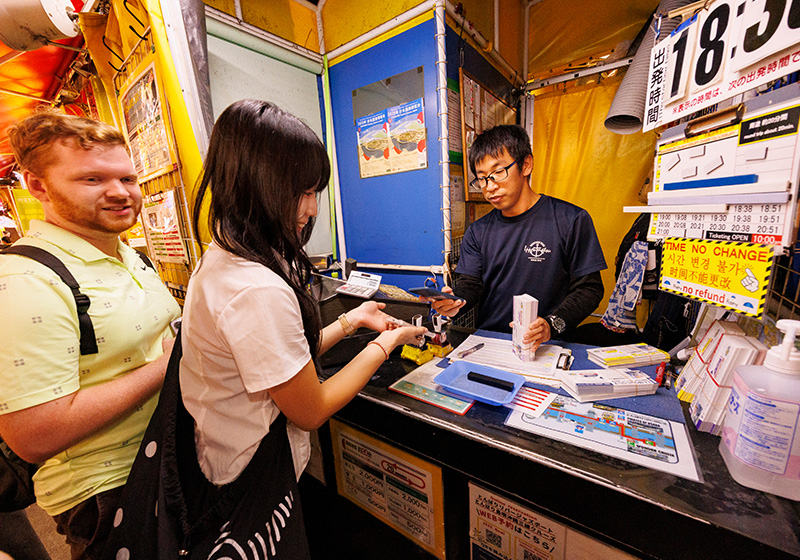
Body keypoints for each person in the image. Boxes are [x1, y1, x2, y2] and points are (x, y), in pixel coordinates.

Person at [177, 100, 425, 554]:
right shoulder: (255, 288)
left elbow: (283, 363)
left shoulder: (223, 259)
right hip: (250, 486)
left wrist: (352, 321)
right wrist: (387, 342)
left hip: (222, 463)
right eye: (303, 190)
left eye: (315, 192)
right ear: (257, 182)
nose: (311, 209)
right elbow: (310, 407)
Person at [0, 110, 181, 559]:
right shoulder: (25, 281)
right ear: (37, 186)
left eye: (128, 178)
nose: (120, 193)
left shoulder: (126, 252)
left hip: (165, 460)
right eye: (92, 180)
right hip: (107, 492)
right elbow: (34, 434)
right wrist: (166, 366)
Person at [433, 124, 606, 350]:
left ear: (526, 165)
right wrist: (456, 301)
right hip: (490, 344)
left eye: (498, 173)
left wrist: (551, 325)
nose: (489, 187)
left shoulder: (570, 219)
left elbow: (589, 290)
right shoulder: (478, 231)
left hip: (547, 346)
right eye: (482, 178)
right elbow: (470, 285)